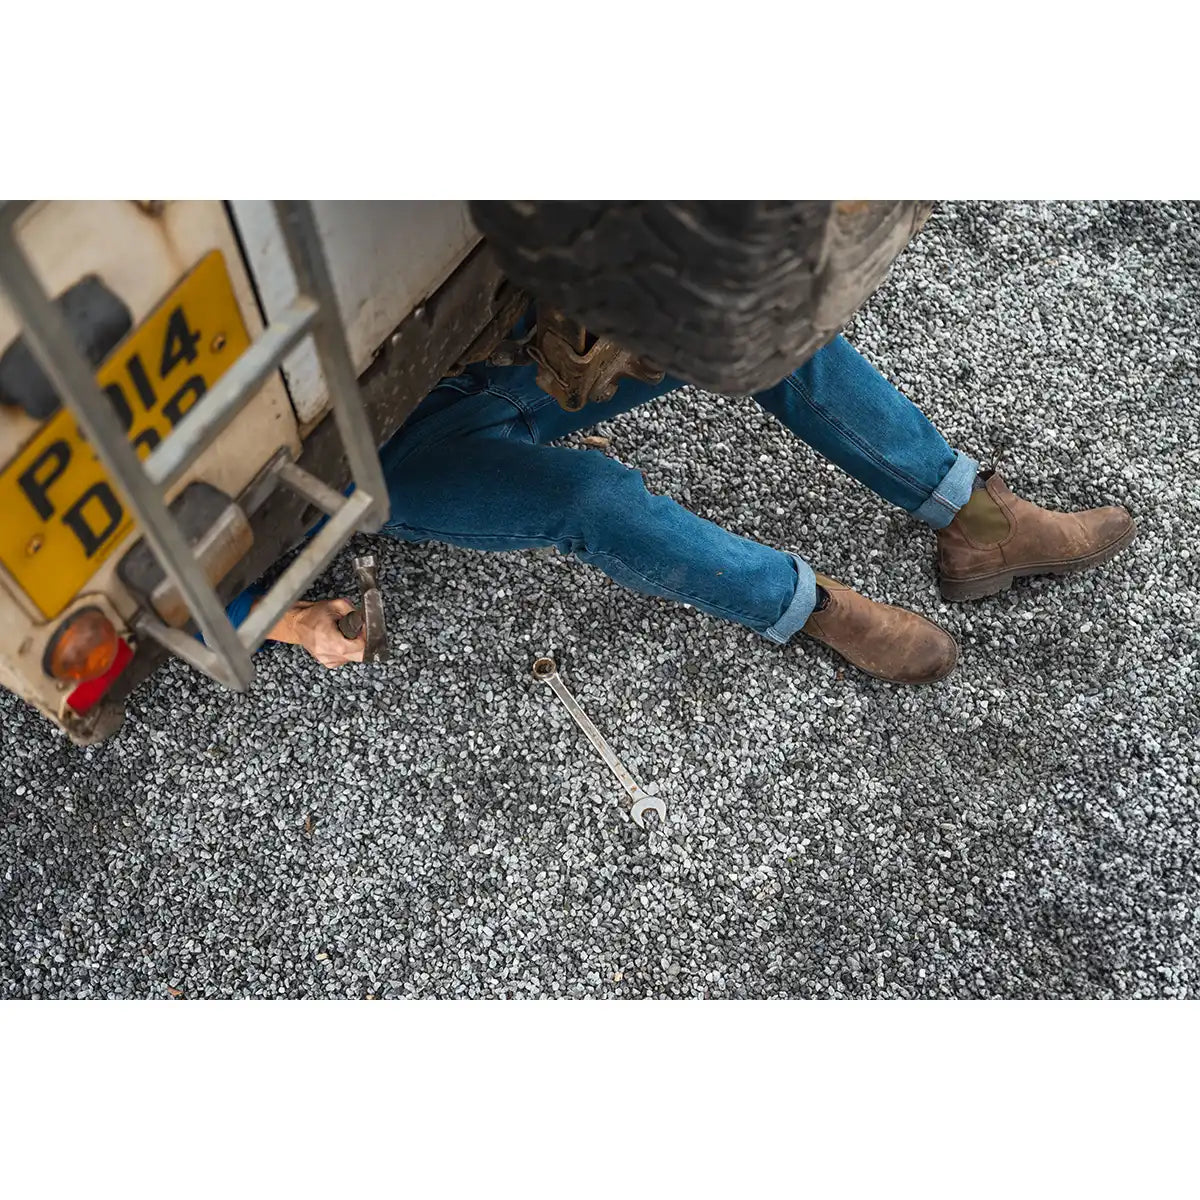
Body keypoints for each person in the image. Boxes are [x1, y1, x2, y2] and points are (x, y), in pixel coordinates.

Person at [246, 332, 1136, 684]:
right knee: (590, 499)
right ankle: (813, 608)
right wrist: (290, 624)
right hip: (385, 457)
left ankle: (979, 524)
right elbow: (136, 573)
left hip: (479, 357)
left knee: (739, 322)